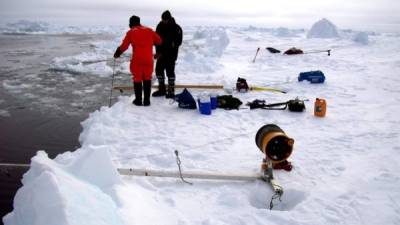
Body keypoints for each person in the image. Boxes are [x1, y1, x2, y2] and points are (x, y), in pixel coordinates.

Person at [114, 15, 162, 106]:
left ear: (131, 23)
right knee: (147, 78)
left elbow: (124, 46)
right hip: (148, 59)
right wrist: (158, 51)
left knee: (137, 78)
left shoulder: (131, 32)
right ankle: (147, 101)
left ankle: (138, 100)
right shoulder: (149, 30)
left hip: (137, 60)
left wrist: (117, 53)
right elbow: (159, 41)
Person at [152, 10, 183, 98]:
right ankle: (162, 90)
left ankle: (171, 91)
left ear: (169, 19)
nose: (163, 21)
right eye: (162, 19)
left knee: (170, 72)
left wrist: (169, 44)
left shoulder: (177, 28)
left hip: (171, 54)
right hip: (161, 54)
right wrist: (158, 52)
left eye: (165, 19)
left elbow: (178, 42)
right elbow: (156, 40)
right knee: (158, 70)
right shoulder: (159, 26)